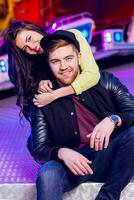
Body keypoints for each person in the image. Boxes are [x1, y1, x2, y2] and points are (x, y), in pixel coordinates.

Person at [28, 30, 134, 200]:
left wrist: (113, 119)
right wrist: (62, 152)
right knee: (47, 174)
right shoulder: (43, 99)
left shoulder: (105, 81)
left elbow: (132, 110)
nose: (63, 67)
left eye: (69, 58)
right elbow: (39, 148)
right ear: (48, 64)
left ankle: (107, 197)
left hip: (108, 157)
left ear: (79, 57)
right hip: (71, 164)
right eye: (56, 61)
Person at [4, 21, 100, 119]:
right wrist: (41, 84)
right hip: (69, 115)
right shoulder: (37, 63)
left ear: (35, 29)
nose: (32, 47)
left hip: (95, 102)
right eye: (26, 48)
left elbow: (92, 75)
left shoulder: (72, 37)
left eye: (30, 38)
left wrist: (55, 94)